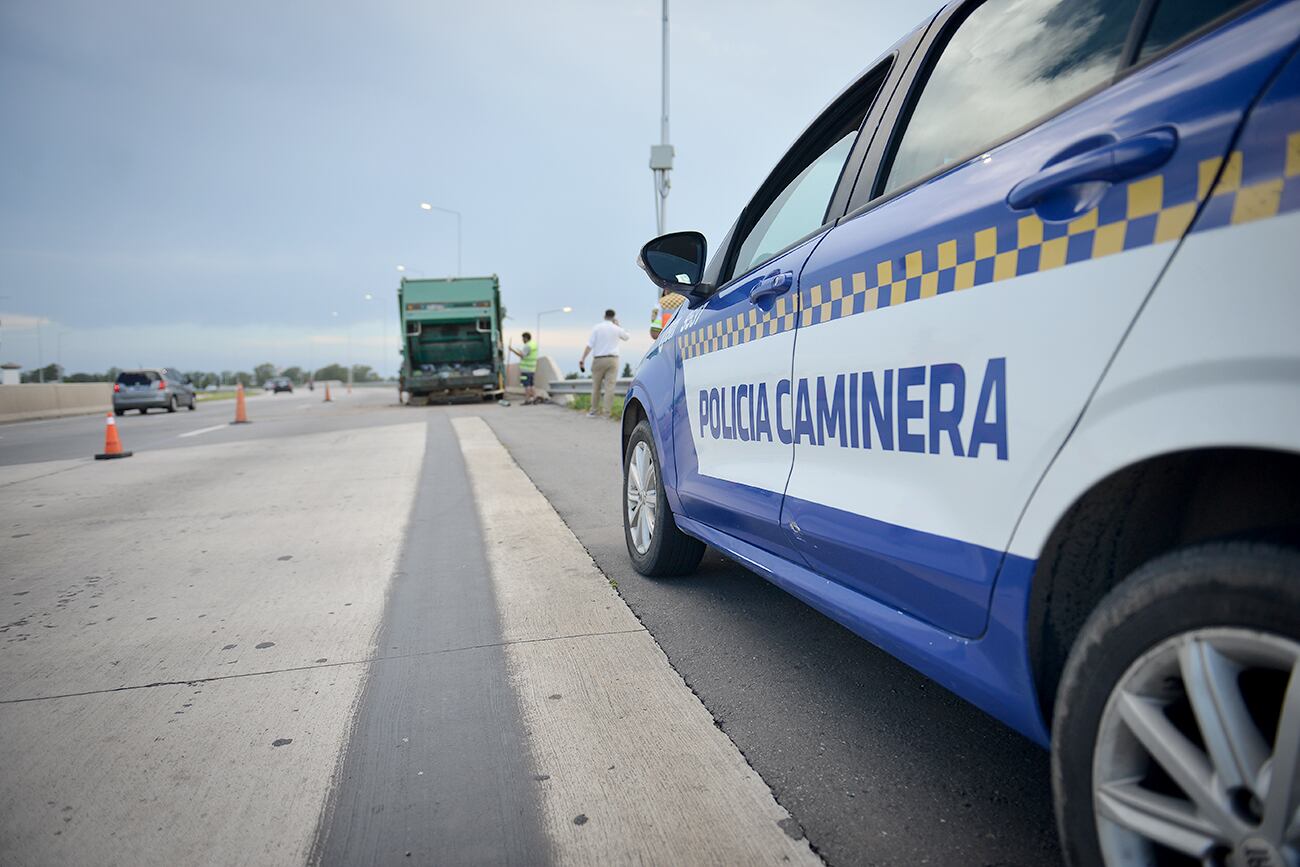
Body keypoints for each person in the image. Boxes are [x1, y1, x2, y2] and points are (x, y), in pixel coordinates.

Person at [578, 309, 629, 418]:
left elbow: (589, 345)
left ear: (604, 316)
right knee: (609, 387)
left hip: (598, 359)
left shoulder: (597, 328)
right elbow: (626, 337)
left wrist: (583, 358)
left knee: (596, 386)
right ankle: (607, 413)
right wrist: (619, 325)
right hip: (613, 360)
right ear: (613, 317)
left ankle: (594, 411)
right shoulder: (616, 328)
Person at [509, 332, 540, 404]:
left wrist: (512, 350)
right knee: (531, 384)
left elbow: (522, 355)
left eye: (523, 338)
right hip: (532, 368)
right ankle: (535, 398)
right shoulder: (533, 344)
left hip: (526, 369)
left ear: (526, 338)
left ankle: (527, 400)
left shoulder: (527, 346)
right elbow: (528, 354)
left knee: (526, 385)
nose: (522, 340)